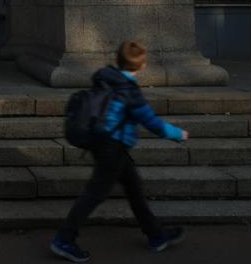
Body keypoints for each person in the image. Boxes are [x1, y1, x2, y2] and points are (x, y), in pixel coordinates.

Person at [50, 41, 189, 263]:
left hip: (106, 142)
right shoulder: (129, 91)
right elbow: (152, 122)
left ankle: (156, 235)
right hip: (112, 147)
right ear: (142, 66)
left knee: (134, 189)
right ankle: (64, 239)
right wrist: (177, 134)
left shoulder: (106, 77)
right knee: (94, 194)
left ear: (118, 60)